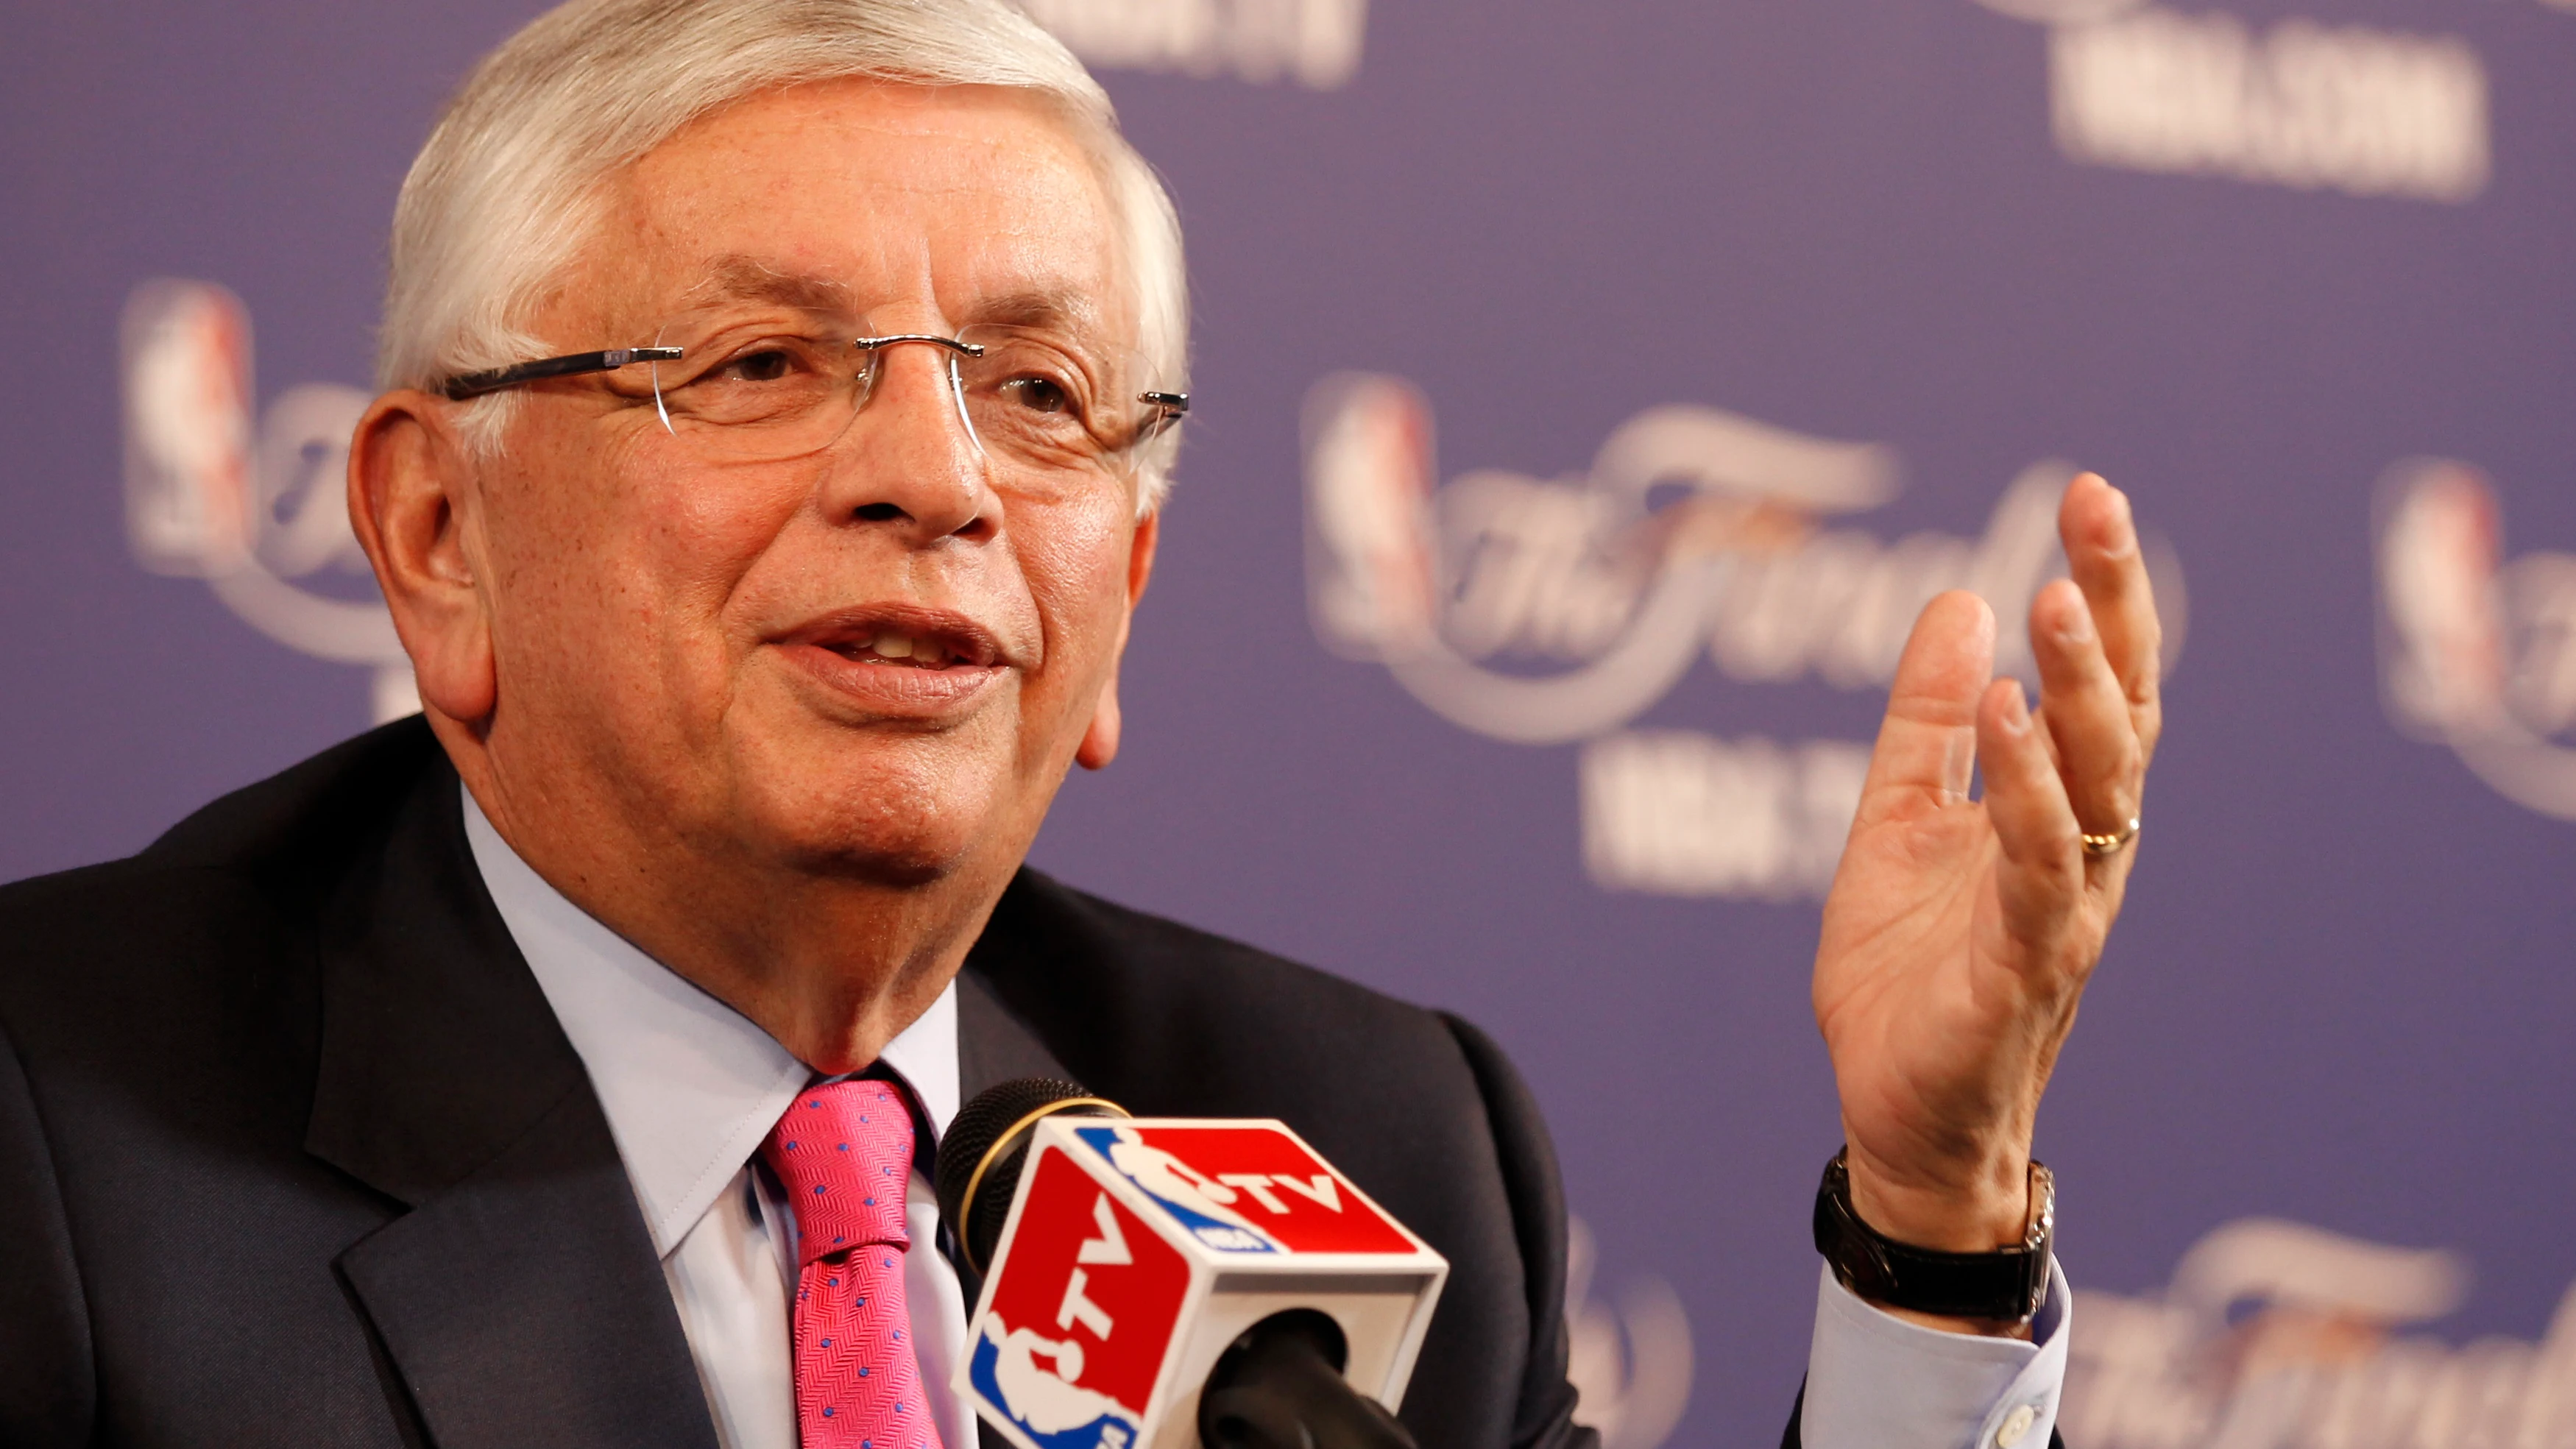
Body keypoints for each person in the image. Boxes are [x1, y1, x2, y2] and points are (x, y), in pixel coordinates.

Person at [0, 3, 2162, 1448]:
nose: (935, 481)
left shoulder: (1367, 1139)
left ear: (1118, 595)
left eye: (1038, 396)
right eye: (761, 362)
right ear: (436, 533)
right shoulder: (62, 1144)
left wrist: (1932, 1200)